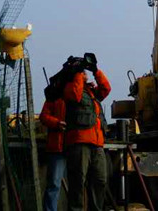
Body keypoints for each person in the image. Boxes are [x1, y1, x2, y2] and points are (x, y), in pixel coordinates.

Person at [62, 53, 111, 211]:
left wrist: (96, 71)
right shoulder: (69, 87)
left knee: (100, 181)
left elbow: (106, 89)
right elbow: (75, 96)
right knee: (77, 183)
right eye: (83, 71)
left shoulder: (91, 92)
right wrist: (76, 72)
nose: (85, 73)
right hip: (79, 143)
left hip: (97, 144)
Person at [39, 83, 68, 211]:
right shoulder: (54, 94)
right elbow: (43, 117)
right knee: (54, 184)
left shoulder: (84, 91)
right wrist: (57, 123)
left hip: (73, 146)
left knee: (56, 185)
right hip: (58, 147)